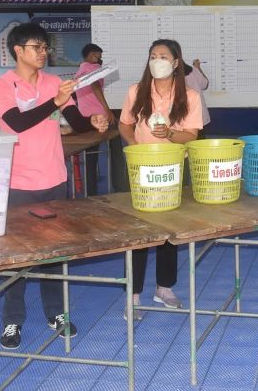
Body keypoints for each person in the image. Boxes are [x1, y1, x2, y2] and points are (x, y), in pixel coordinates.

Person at [0, 23, 109, 348]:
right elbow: (17, 122)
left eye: (45, 47)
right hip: (17, 183)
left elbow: (78, 121)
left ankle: (56, 313)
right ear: (18, 51)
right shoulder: (2, 86)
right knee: (17, 256)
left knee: (54, 254)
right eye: (36, 47)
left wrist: (94, 122)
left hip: (54, 179)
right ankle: (12, 320)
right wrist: (55, 102)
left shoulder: (55, 83)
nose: (43, 52)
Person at [119, 39, 203, 320]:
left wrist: (168, 135)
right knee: (140, 233)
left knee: (170, 231)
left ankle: (164, 288)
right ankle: (133, 295)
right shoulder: (136, 91)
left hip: (173, 169)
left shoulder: (189, 96)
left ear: (176, 62)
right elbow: (124, 123)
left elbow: (191, 135)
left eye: (163, 56)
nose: (158, 60)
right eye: (153, 55)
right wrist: (134, 146)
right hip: (142, 169)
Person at [74, 43, 116, 196]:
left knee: (90, 157)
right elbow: (95, 87)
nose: (101, 59)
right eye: (99, 55)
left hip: (85, 117)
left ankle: (89, 189)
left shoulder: (79, 71)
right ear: (92, 55)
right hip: (98, 117)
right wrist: (107, 109)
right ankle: (96, 191)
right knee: (97, 155)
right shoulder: (93, 69)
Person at [184, 58, 211, 138]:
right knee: (198, 146)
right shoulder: (192, 70)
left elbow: (205, 85)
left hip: (187, 120)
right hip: (198, 118)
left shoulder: (170, 74)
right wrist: (198, 68)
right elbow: (205, 84)